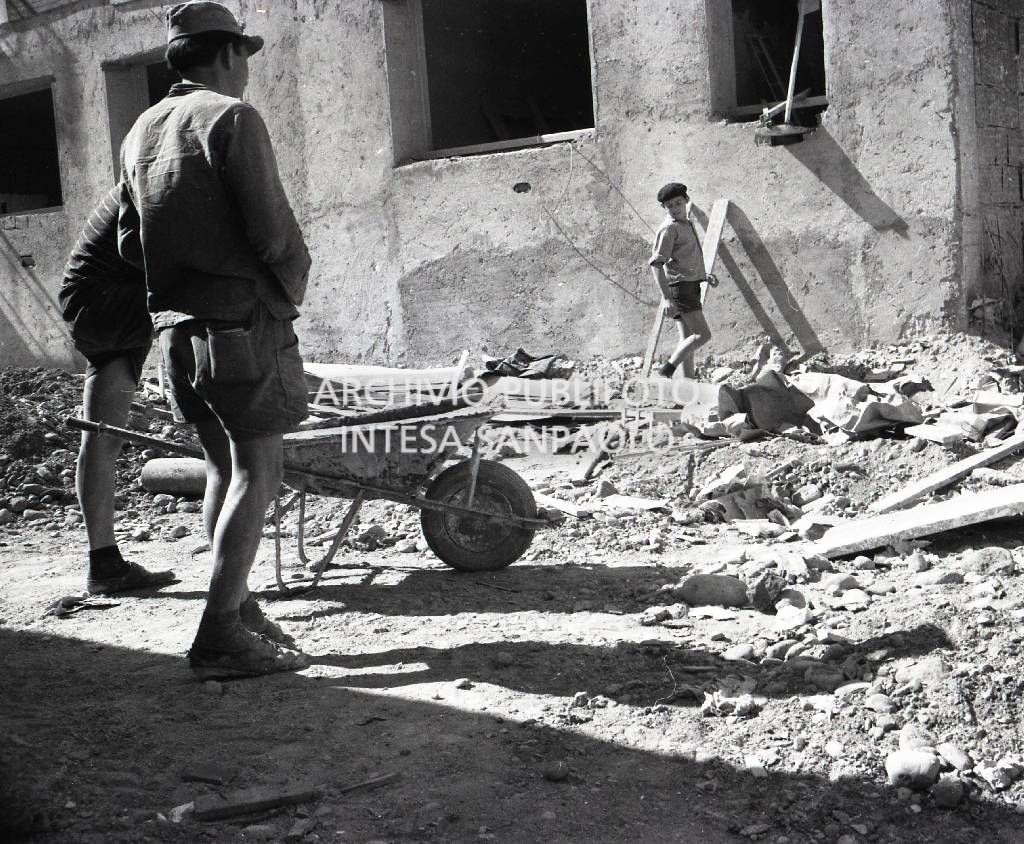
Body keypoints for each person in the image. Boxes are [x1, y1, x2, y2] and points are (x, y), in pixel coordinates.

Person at [119, 0, 312, 679]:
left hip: (176, 333)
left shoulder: (139, 129)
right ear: (227, 53)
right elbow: (273, 229)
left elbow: (125, 239)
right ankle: (221, 632)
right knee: (260, 470)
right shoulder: (232, 118)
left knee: (224, 470)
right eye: (245, 58)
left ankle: (241, 605)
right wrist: (290, 289)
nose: (248, 72)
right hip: (239, 327)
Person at [58, 185, 176, 597]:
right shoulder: (150, 184)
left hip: (94, 302)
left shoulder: (142, 177)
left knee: (99, 436)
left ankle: (104, 562)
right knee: (103, 437)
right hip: (108, 302)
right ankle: (104, 564)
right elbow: (137, 250)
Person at [648, 182, 716, 379]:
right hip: (681, 289)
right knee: (703, 335)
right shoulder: (669, 229)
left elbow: (685, 258)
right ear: (664, 208)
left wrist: (704, 276)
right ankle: (665, 372)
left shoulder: (685, 224)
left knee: (687, 341)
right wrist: (667, 299)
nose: (675, 209)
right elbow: (656, 264)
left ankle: (688, 388)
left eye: (678, 203)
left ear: (686, 201)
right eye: (669, 206)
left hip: (690, 284)